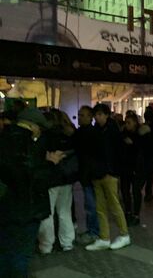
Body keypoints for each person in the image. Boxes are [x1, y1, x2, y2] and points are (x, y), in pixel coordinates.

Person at [0, 108, 66, 277]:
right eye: (40, 128)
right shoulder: (26, 144)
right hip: (24, 211)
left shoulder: (4, 139)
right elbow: (31, 179)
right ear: (33, 126)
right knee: (20, 255)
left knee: (6, 252)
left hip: (6, 208)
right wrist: (51, 163)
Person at [85, 104, 131, 251]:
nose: (97, 117)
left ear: (106, 115)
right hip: (97, 174)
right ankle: (104, 237)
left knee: (114, 205)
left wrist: (113, 171)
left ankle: (124, 234)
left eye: (99, 115)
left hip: (109, 174)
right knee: (100, 208)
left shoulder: (113, 131)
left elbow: (119, 152)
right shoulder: (97, 131)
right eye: (96, 115)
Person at [37, 109, 78, 254]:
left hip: (50, 179)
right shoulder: (68, 135)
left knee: (48, 213)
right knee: (64, 212)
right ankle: (67, 243)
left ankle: (46, 245)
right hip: (66, 178)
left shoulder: (45, 137)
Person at [74, 105, 101, 245]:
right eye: (79, 115)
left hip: (90, 174)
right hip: (86, 174)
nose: (80, 117)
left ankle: (94, 232)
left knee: (91, 205)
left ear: (91, 117)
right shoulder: (81, 132)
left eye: (83, 115)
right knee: (90, 204)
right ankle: (93, 230)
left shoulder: (91, 133)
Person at [120, 115, 151, 226]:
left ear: (135, 123)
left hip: (137, 168)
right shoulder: (123, 134)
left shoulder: (142, 135)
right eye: (126, 122)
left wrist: (133, 144)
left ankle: (136, 214)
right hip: (125, 168)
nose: (126, 125)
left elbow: (145, 150)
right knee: (125, 190)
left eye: (129, 122)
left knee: (136, 191)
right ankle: (128, 212)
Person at [142, 108, 153, 202]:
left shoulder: (142, 128)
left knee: (144, 175)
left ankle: (139, 191)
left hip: (143, 155)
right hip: (150, 155)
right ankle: (148, 193)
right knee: (149, 176)